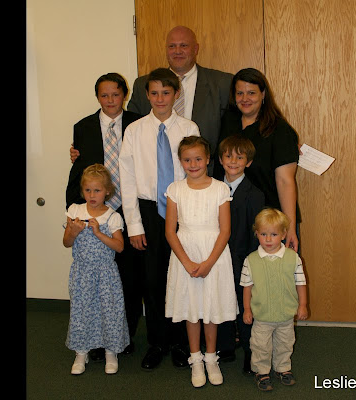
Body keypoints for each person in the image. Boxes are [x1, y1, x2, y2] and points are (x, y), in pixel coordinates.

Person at [118, 68, 200, 371]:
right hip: (149, 211)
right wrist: (134, 225)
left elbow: (196, 171)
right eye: (154, 93)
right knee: (152, 280)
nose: (160, 98)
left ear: (176, 94)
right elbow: (127, 180)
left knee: (180, 278)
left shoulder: (189, 127)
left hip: (182, 210)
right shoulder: (135, 130)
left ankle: (180, 342)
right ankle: (157, 342)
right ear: (147, 96)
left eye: (166, 92)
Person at [66, 72, 143, 362]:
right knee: (96, 284)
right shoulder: (83, 127)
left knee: (128, 277)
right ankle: (97, 338)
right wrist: (74, 210)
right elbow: (80, 171)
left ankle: (124, 336)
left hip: (129, 208)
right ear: (97, 97)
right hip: (96, 210)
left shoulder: (137, 122)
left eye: (116, 94)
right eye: (104, 95)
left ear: (124, 95)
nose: (110, 100)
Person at [165, 136, 237, 387]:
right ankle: (195, 358)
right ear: (180, 161)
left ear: (208, 159)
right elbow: (170, 231)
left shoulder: (220, 188)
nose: (193, 164)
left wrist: (208, 263)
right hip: (184, 254)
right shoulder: (175, 189)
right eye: (187, 160)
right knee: (191, 307)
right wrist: (186, 262)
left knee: (210, 306)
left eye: (198, 159)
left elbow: (225, 230)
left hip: (213, 255)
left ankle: (211, 357)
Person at [214, 67, 301, 252]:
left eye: (251, 93)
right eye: (240, 93)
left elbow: (285, 181)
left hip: (268, 222)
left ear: (263, 94)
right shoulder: (228, 122)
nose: (245, 98)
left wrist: (289, 226)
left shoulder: (280, 130)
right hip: (229, 217)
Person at [127, 25, 233, 175]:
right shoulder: (142, 84)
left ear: (195, 49)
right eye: (172, 46)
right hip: (155, 175)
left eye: (184, 45)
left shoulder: (222, 83)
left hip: (206, 175)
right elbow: (131, 127)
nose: (177, 51)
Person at [63, 164, 129, 375]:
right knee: (81, 311)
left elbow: (119, 246)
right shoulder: (75, 211)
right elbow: (66, 243)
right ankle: (81, 352)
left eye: (97, 190)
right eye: (88, 190)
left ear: (107, 191)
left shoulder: (112, 216)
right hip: (82, 273)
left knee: (109, 312)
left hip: (106, 273)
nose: (92, 195)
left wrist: (99, 233)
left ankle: (111, 352)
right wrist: (73, 231)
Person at [240, 208, 308, 392]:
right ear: (257, 234)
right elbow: (247, 287)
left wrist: (302, 305)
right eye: (263, 234)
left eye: (274, 234)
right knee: (260, 345)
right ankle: (261, 371)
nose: (268, 239)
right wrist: (247, 309)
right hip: (262, 316)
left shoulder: (293, 258)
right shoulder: (251, 260)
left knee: (285, 343)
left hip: (286, 315)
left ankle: (283, 368)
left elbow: (300, 283)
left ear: (284, 234)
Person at [215, 135, 266, 373]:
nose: (233, 161)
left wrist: (252, 264)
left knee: (245, 305)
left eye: (239, 157)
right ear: (220, 159)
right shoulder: (212, 188)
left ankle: (250, 351)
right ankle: (225, 345)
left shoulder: (254, 194)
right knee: (220, 301)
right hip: (217, 257)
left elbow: (255, 233)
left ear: (248, 162)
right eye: (228, 156)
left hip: (242, 258)